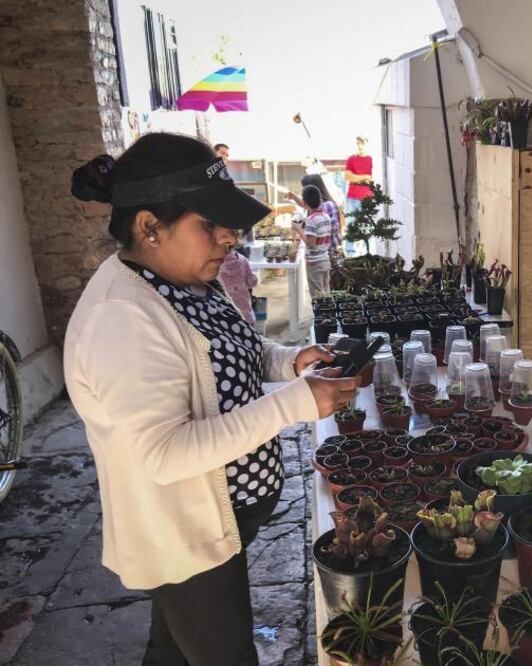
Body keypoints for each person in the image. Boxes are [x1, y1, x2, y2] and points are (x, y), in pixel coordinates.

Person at [66, 133, 358, 666]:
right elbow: (165, 454)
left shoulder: (188, 278)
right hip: (185, 531)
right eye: (210, 224)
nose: (229, 237)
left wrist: (291, 361)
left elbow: (235, 351)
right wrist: (295, 403)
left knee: (172, 648)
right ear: (148, 226)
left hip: (222, 520)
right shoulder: (122, 317)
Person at [286, 174, 343, 259]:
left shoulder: (323, 208)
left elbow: (311, 244)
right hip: (329, 251)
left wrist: (298, 229)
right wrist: (294, 197)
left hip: (325, 253)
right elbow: (306, 205)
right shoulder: (325, 203)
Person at [292, 184, 332, 297]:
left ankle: (320, 315)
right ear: (320, 200)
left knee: (317, 297)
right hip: (325, 259)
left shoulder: (311, 219)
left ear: (304, 202)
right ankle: (327, 314)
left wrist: (299, 230)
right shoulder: (325, 216)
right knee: (326, 294)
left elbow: (311, 244)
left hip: (314, 263)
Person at [343, 135, 373, 256]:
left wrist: (355, 178)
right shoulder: (351, 159)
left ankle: (368, 251)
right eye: (358, 143)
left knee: (367, 225)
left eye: (362, 143)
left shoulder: (371, 159)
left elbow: (371, 180)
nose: (359, 146)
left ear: (366, 143)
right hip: (352, 197)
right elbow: (347, 177)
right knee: (351, 223)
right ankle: (350, 252)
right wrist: (363, 178)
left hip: (367, 198)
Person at [217, 247, 259, 324]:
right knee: (248, 331)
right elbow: (251, 282)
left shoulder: (214, 264)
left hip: (224, 311)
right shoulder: (243, 260)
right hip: (244, 309)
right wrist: (255, 276)